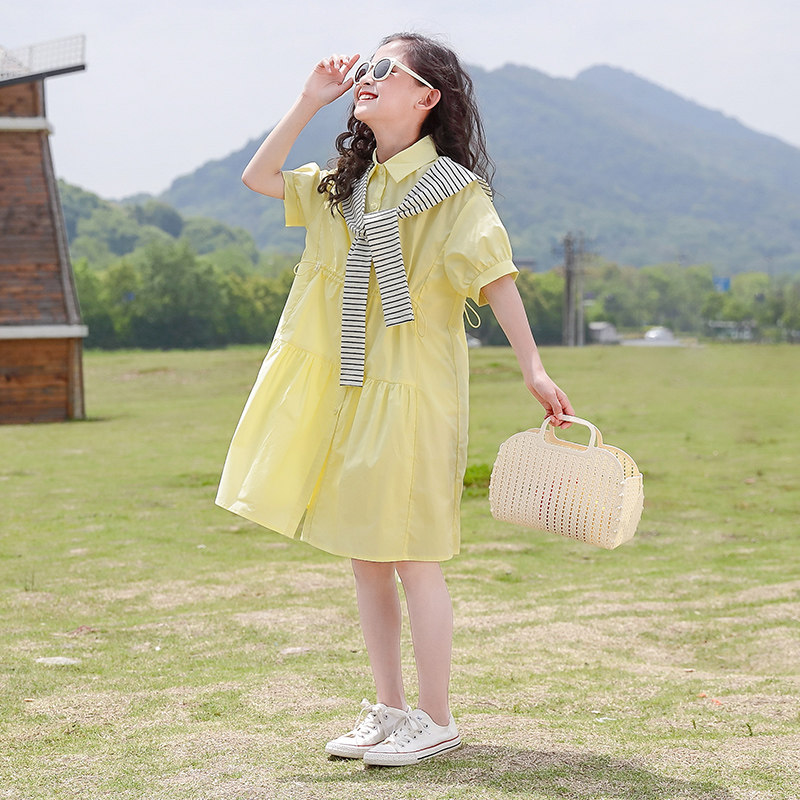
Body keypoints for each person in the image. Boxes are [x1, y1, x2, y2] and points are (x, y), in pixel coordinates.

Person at [216, 32, 574, 767]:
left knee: (414, 555)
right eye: (365, 68)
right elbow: (259, 176)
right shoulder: (346, 187)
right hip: (352, 388)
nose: (366, 78)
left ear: (427, 97)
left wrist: (533, 368)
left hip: (413, 389)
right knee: (367, 555)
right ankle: (389, 708)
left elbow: (496, 277)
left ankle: (436, 718)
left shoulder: (452, 190)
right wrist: (309, 100)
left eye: (385, 69)